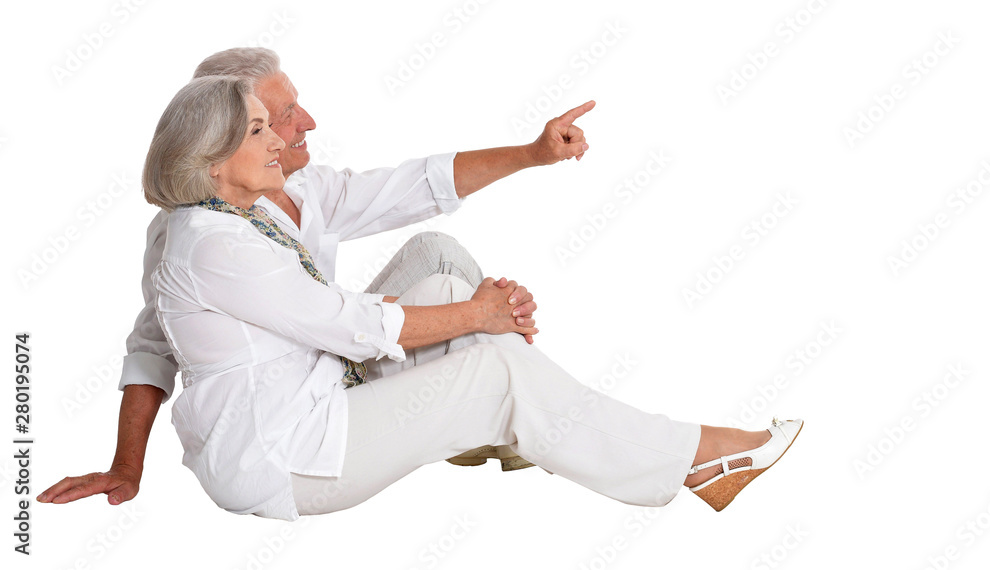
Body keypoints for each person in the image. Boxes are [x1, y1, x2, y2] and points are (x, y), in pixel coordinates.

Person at [42, 75, 802, 520]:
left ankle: (530, 424)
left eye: (277, 122)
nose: (287, 137)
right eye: (262, 128)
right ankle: (687, 459)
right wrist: (482, 316)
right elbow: (344, 323)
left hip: (312, 396)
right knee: (495, 366)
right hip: (280, 457)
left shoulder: (246, 209)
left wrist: (531, 154)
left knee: (441, 272)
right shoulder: (210, 242)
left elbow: (413, 186)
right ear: (211, 160)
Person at [39, 44, 591, 508]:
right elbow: (152, 348)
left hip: (336, 352)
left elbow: (417, 184)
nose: (306, 123)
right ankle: (530, 418)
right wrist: (126, 466)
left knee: (437, 255)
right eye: (277, 117)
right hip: (291, 407)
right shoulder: (192, 233)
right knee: (465, 317)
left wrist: (532, 153)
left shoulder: (303, 188)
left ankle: (509, 423)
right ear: (225, 137)